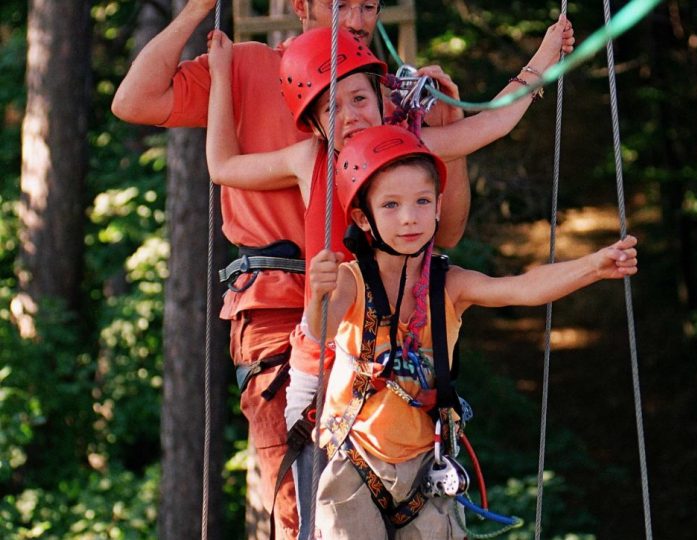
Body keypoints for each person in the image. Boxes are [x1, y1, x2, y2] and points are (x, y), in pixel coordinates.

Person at [110, 1, 472, 537]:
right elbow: (134, 101)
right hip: (279, 310)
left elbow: (443, 234)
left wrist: (450, 135)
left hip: (372, 320)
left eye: (368, 5)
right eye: (340, 4)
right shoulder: (251, 67)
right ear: (301, 5)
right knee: (300, 497)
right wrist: (196, 12)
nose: (357, 18)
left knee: (390, 503)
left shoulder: (380, 97)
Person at [205, 17, 574, 536]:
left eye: (359, 99)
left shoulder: (400, 151)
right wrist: (221, 76)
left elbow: (492, 122)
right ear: (313, 124)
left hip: (391, 350)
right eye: (332, 108)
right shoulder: (308, 157)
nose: (351, 116)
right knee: (302, 510)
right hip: (333, 348)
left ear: (381, 97)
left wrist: (545, 53)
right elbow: (223, 165)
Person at [303, 124, 638, 539]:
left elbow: (519, 288)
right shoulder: (352, 281)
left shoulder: (450, 284)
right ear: (362, 217)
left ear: (439, 207)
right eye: (390, 205)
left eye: (422, 201)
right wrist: (318, 293)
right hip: (356, 464)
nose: (409, 217)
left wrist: (594, 266)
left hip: (426, 469)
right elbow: (319, 329)